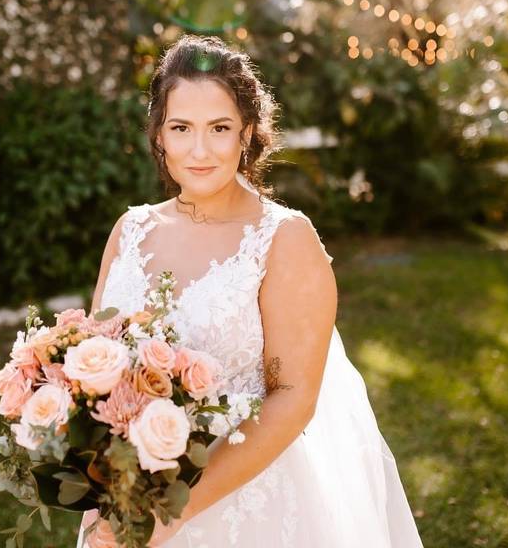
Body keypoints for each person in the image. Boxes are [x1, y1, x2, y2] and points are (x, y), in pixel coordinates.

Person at [76, 34, 424, 547]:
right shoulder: (130, 231)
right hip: (124, 496)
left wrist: (169, 515)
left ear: (248, 133)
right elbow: (96, 374)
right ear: (158, 136)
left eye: (219, 128)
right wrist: (97, 497)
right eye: (181, 128)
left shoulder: (283, 239)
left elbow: (293, 399)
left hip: (246, 505)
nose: (199, 150)